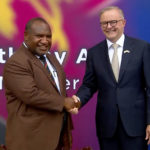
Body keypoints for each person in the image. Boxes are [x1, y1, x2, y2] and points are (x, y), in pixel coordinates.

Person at [72, 6, 150, 150]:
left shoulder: (142, 48)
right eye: (104, 23)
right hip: (107, 127)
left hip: (136, 126)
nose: (109, 27)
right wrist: (78, 100)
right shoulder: (94, 53)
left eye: (113, 22)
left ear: (123, 23)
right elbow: (89, 85)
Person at [3, 17, 79, 150]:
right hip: (31, 141)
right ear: (26, 36)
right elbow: (30, 95)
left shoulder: (50, 58)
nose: (45, 41)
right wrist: (64, 102)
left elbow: (56, 90)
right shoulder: (17, 62)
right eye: (39, 36)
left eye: (48, 36)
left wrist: (70, 102)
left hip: (55, 139)